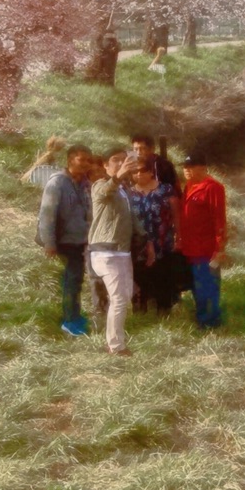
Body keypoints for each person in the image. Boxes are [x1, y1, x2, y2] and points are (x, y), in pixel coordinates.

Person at [86, 148, 141, 355]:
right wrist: (117, 177)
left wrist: (147, 239)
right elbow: (106, 189)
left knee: (123, 297)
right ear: (105, 166)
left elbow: (131, 217)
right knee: (119, 298)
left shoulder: (124, 190)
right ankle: (116, 346)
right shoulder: (100, 185)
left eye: (123, 160)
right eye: (115, 160)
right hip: (105, 251)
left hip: (121, 251)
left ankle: (113, 340)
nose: (120, 163)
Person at [36, 144, 94, 336]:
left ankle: (74, 316)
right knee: (71, 281)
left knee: (76, 280)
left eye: (88, 160)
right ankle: (69, 322)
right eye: (81, 159)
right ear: (70, 160)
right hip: (64, 241)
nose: (86, 164)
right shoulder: (57, 183)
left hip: (80, 240)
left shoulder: (85, 183)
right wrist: (49, 243)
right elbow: (47, 214)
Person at [177, 151, 227, 330]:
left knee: (208, 285)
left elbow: (219, 218)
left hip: (207, 248)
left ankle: (210, 322)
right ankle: (202, 317)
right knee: (196, 285)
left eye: (192, 167)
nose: (188, 171)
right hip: (190, 247)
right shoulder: (189, 186)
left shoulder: (213, 187)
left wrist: (220, 246)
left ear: (203, 168)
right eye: (185, 167)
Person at [126, 158, 182, 314]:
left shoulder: (166, 190)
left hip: (163, 241)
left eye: (142, 171)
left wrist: (179, 237)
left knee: (163, 276)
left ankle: (164, 310)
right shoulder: (129, 193)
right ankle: (141, 311)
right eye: (134, 172)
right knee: (140, 277)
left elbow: (176, 214)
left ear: (151, 172)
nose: (138, 174)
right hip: (139, 244)